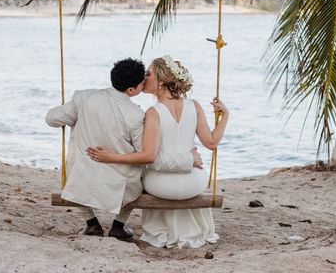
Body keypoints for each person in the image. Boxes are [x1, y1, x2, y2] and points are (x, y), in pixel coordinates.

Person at [45, 58, 201, 240]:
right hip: (118, 185)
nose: (145, 83)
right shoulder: (136, 116)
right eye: (142, 82)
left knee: (76, 170)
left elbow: (51, 119)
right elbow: (146, 155)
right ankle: (118, 226)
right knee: (137, 177)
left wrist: (73, 119)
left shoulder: (84, 98)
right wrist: (187, 158)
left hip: (82, 177)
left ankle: (92, 223)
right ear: (131, 90)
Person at [87, 55, 230, 248]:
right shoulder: (194, 106)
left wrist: (111, 157)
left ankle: (158, 228)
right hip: (193, 184)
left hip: (161, 186)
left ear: (161, 82)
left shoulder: (153, 113)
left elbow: (148, 156)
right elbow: (212, 143)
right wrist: (225, 115)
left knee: (141, 175)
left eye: (149, 73)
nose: (144, 77)